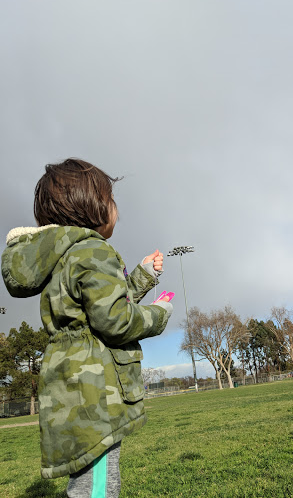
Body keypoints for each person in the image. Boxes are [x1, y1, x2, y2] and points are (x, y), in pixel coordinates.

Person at [1, 158, 173, 497]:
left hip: (69, 387)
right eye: (111, 200)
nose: (116, 210)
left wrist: (141, 276)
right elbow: (115, 319)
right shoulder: (93, 250)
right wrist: (159, 314)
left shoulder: (62, 257)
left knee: (87, 480)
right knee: (96, 487)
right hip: (95, 394)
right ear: (92, 207)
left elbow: (94, 307)